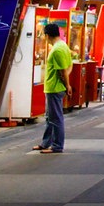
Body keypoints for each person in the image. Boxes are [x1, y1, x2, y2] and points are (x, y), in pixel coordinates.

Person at [35, 23, 71, 154]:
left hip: (54, 88)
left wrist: (67, 85)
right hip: (53, 87)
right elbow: (69, 66)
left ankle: (57, 145)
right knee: (50, 118)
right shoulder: (63, 46)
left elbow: (62, 71)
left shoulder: (57, 50)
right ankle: (46, 143)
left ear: (47, 35)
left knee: (55, 119)